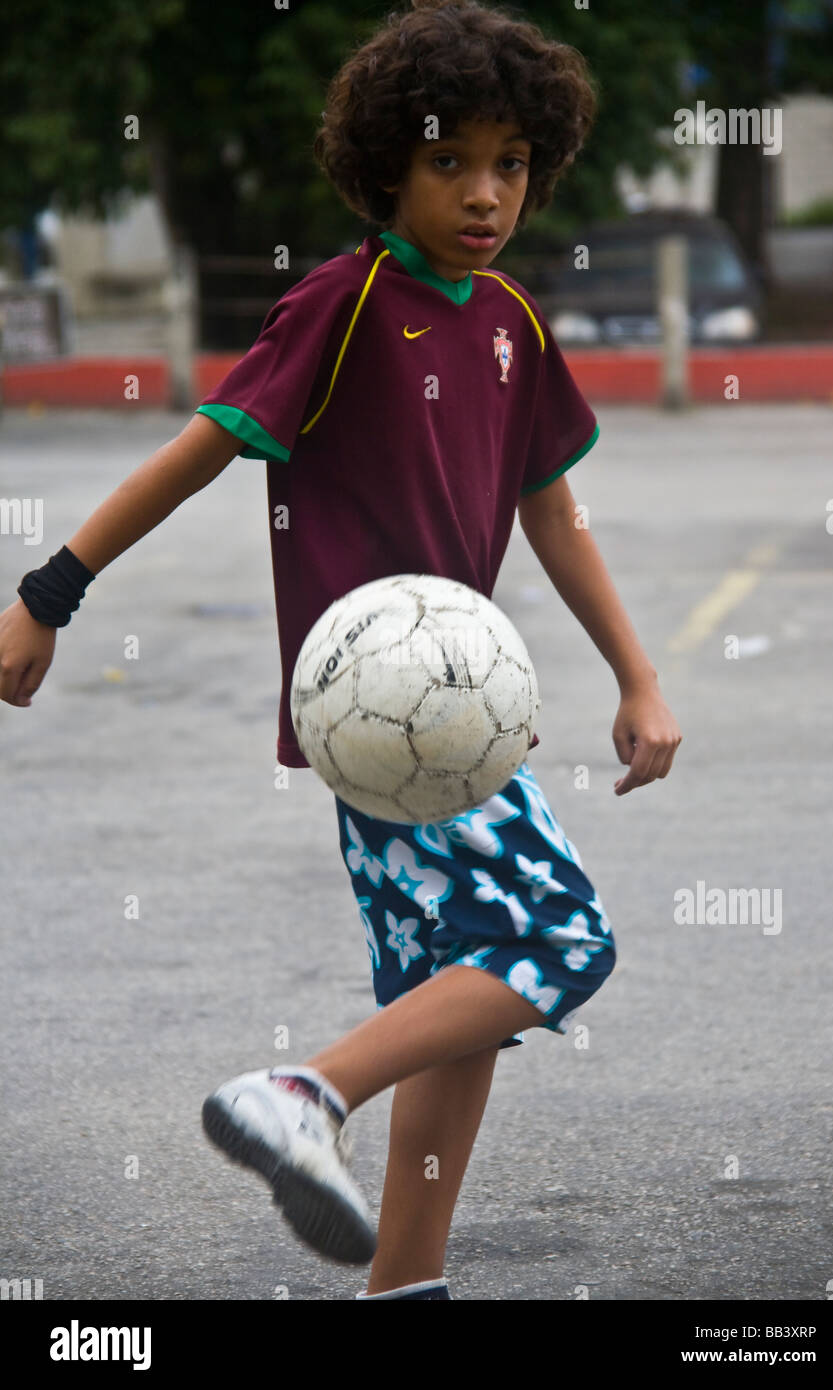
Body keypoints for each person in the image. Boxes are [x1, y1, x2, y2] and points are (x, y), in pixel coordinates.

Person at [0, 0, 682, 1301]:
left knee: (457, 1006)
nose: (484, 193)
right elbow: (200, 445)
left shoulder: (508, 320)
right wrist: (51, 587)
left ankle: (402, 1286)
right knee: (560, 939)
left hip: (465, 707)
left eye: (509, 163)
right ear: (383, 167)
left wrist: (635, 673)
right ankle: (299, 1088)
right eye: (447, 162)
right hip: (377, 712)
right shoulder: (344, 297)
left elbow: (549, 502)